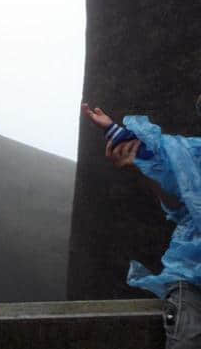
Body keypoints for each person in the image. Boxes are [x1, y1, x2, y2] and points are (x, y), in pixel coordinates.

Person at [82, 103, 201, 349]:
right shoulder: (190, 153)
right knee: (188, 338)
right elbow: (153, 154)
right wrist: (116, 134)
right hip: (192, 277)